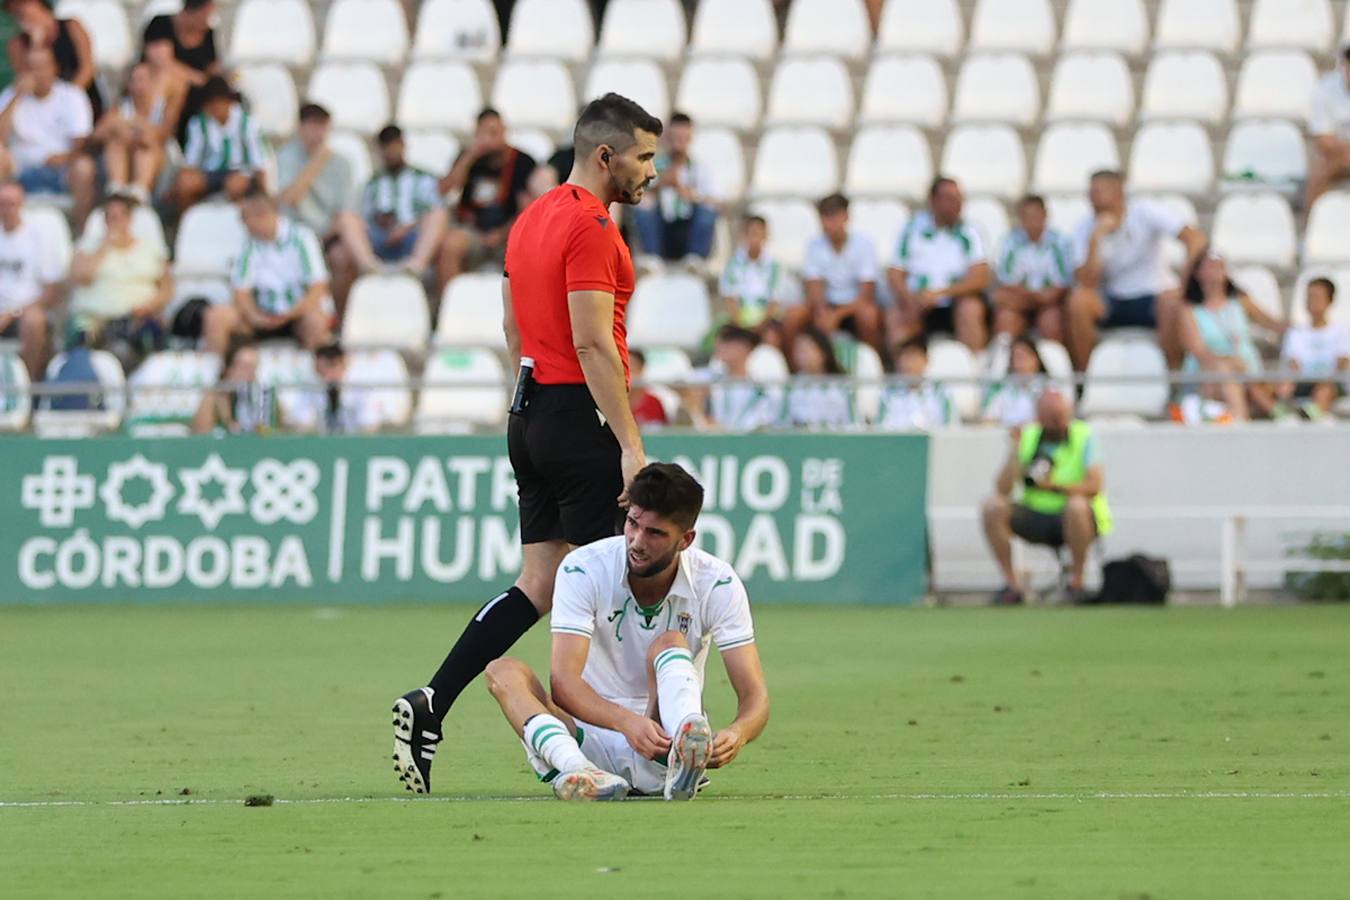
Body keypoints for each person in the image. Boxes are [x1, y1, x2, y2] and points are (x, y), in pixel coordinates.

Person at [392, 92, 662, 795]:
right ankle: (620, 745)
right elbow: (592, 342)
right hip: (580, 418)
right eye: (644, 157)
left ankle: (431, 702)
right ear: (606, 157)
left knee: (538, 584)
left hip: (529, 410)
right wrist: (629, 443)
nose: (652, 173)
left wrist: (528, 410)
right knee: (619, 582)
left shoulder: (528, 220)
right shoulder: (594, 229)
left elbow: (515, 333)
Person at [483, 463, 769, 802]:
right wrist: (625, 723)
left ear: (686, 540)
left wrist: (737, 733)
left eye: (655, 533)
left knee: (669, 642)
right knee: (502, 671)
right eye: (633, 524)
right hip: (584, 735)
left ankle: (685, 748)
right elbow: (563, 683)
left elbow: (755, 696)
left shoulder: (717, 582)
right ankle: (580, 771)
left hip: (662, 739)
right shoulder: (584, 567)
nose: (636, 541)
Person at [982, 390, 1112, 606]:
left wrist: (1053, 486)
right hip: (1035, 514)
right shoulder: (1029, 436)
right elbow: (1002, 489)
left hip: (1073, 517)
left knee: (1077, 507)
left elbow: (1095, 485)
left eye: (1059, 417)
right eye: (1049, 418)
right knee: (992, 507)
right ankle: (1012, 587)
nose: (1055, 423)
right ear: (1038, 417)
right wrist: (1014, 451)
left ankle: (1076, 584)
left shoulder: (1084, 435)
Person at [1068, 170, 1207, 371]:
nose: (1093, 198)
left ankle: (1173, 379)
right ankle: (1085, 378)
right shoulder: (1085, 227)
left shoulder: (1144, 211)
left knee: (1173, 302)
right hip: (1113, 299)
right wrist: (1095, 238)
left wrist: (1184, 284)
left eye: (1098, 191)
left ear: (1118, 191)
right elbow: (1087, 282)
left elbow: (1195, 239)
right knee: (1078, 302)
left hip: (1153, 295)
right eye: (1091, 192)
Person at [203, 185, 331, 355]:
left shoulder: (302, 239)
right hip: (260, 317)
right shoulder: (248, 246)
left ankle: (316, 376)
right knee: (216, 317)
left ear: (261, 215)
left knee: (315, 320)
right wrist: (257, 317)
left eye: (244, 218)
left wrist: (290, 314)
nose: (242, 224)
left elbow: (318, 287)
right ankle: (220, 376)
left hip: (296, 316)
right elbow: (240, 293)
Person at [334, 125, 451, 297]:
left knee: (438, 214)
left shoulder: (423, 178)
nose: (390, 151)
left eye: (394, 145)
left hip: (413, 237)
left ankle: (416, 267)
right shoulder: (372, 183)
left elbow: (433, 210)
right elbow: (362, 218)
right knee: (346, 219)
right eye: (386, 147)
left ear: (403, 145)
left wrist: (407, 226)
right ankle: (368, 266)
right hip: (380, 238)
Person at [888, 176, 991, 353]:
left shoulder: (971, 231)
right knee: (898, 315)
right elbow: (895, 272)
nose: (957, 204)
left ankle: (974, 371)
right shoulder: (911, 229)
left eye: (959, 198)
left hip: (955, 300)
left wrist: (942, 293)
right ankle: (906, 372)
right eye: (950, 198)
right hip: (918, 300)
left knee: (971, 309)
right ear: (933, 201)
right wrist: (909, 298)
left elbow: (980, 277)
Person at [67, 194, 171, 369]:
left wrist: (150, 306)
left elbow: (167, 288)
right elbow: (81, 277)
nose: (113, 222)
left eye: (117, 217)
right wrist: (104, 248)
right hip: (96, 319)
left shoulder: (150, 248)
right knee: (82, 333)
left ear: (129, 219)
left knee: (152, 333)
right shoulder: (88, 247)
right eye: (108, 217)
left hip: (137, 318)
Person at [0, 45, 95, 228]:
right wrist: (17, 96)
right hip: (20, 169)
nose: (36, 73)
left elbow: (81, 142)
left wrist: (65, 158)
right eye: (31, 67)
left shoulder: (72, 96)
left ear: (54, 68)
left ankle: (81, 233)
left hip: (61, 170)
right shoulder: (10, 95)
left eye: (42, 66)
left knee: (84, 168)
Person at [438, 108, 536, 284]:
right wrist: (470, 156)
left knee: (531, 248)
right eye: (484, 133)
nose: (490, 139)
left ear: (504, 132)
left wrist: (502, 233)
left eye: (494, 132)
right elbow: (446, 189)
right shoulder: (469, 158)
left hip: (509, 233)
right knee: (450, 246)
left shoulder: (522, 161)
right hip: (473, 230)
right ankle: (448, 305)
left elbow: (528, 208)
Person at [1180, 253, 1278, 422]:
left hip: (1246, 373)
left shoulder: (1241, 302)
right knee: (1223, 371)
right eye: (1209, 265)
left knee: (1243, 382)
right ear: (1197, 273)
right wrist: (1231, 362)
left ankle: (1247, 413)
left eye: (1218, 265)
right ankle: (1240, 416)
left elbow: (1271, 324)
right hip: (1208, 374)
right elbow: (1199, 351)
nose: (1214, 270)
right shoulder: (1189, 311)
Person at [275, 103, 355, 309]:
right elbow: (289, 198)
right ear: (300, 127)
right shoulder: (285, 157)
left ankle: (338, 315)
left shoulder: (342, 163)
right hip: (294, 235)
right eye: (312, 126)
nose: (317, 133)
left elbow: (345, 211)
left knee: (344, 258)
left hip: (326, 235)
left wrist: (324, 237)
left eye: (321, 126)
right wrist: (317, 162)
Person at [786, 192, 882, 357]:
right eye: (824, 217)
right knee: (793, 317)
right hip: (826, 306)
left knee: (868, 316)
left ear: (846, 217)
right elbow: (814, 289)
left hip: (854, 307)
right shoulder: (814, 245)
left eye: (832, 217)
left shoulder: (865, 244)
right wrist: (824, 313)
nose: (827, 224)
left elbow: (866, 295)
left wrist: (836, 316)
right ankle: (795, 369)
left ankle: (873, 362)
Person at [631, 112, 719, 267]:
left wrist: (685, 192)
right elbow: (636, 198)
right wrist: (660, 186)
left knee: (707, 210)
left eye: (682, 138)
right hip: (663, 227)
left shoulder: (700, 168)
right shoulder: (653, 166)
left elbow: (716, 202)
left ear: (690, 138)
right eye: (674, 138)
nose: (678, 143)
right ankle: (652, 257)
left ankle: (695, 259)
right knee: (644, 204)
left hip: (688, 227)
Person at [173, 75, 266, 212]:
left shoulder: (247, 124)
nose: (214, 107)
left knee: (235, 184)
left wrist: (263, 192)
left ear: (228, 102)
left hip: (241, 172)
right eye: (210, 103)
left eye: (218, 102)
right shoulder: (198, 124)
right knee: (185, 183)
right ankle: (188, 222)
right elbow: (190, 163)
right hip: (208, 173)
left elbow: (258, 164)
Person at [0, 180, 61, 379]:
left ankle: (28, 384)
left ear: (22, 205)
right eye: (2, 204)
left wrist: (12, 313)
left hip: (23, 312)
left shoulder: (38, 237)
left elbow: (51, 292)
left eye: (11, 204)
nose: (6, 210)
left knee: (34, 321)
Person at [992, 195, 1070, 343]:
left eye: (1035, 215)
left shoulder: (1060, 242)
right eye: (1026, 216)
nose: (1031, 221)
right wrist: (1035, 298)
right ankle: (1003, 362)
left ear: (1045, 215)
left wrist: (1040, 298)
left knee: (1051, 321)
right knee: (1005, 319)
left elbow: (1060, 285)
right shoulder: (1009, 242)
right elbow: (1008, 283)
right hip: (1021, 303)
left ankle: (1054, 363)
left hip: (1049, 304)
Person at [5, 0, 100, 119]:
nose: (19, 11)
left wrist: (68, 98)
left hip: (83, 99)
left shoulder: (71, 26)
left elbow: (88, 67)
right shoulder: (17, 44)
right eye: (13, 8)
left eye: (22, 4)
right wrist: (37, 42)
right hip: (45, 111)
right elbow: (28, 76)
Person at [92, 62, 172, 203]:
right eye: (135, 80)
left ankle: (140, 190)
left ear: (152, 82)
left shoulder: (163, 108)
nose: (139, 85)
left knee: (144, 147)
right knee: (114, 141)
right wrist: (116, 129)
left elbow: (158, 137)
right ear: (128, 85)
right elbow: (96, 135)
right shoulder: (119, 109)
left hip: (160, 165)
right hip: (127, 160)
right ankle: (116, 188)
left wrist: (131, 127)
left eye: (143, 79)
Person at [141, 0, 217, 147]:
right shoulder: (161, 24)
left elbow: (212, 69)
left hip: (195, 98)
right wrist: (196, 77)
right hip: (158, 87)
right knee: (171, 80)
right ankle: (153, 129)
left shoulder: (208, 34)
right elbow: (161, 62)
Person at [1277, 278, 1348, 419]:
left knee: (1325, 389)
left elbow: (1341, 364)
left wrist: (1323, 379)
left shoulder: (1342, 332)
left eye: (1317, 297)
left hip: (1330, 383)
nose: (1312, 301)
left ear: (1330, 300)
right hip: (1304, 382)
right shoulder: (1296, 333)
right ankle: (1281, 416)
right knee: (1283, 387)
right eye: (1309, 297)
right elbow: (1293, 364)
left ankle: (1309, 418)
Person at [281, 341, 381, 434]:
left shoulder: (361, 386)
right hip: (320, 443)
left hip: (355, 441)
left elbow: (369, 424)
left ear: (342, 364)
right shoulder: (310, 387)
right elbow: (303, 421)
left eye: (331, 366)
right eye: (319, 369)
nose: (325, 374)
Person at [718, 214, 788, 341]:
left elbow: (774, 302)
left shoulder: (775, 267)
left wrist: (760, 326)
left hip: (765, 323)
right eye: (752, 234)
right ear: (744, 236)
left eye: (759, 234)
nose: (755, 239)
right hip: (739, 320)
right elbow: (730, 299)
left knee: (771, 338)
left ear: (766, 236)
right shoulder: (733, 265)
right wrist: (741, 324)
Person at [191, 337, 275, 434]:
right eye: (245, 367)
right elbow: (201, 435)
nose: (250, 374)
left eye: (254, 367)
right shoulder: (212, 397)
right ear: (229, 368)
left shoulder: (264, 398)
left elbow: (280, 432)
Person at [876, 337, 953, 431]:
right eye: (905, 358)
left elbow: (951, 427)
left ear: (926, 360)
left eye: (914, 357)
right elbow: (879, 430)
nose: (909, 364)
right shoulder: (888, 393)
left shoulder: (941, 391)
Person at [783, 326, 853, 429]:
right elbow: (785, 422)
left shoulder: (841, 385)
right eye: (798, 349)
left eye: (806, 349)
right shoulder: (792, 385)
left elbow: (851, 421)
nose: (801, 354)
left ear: (822, 353)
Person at [1307, 45, 1350, 210]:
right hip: (1336, 156)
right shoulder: (1324, 89)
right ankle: (1310, 225)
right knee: (1320, 173)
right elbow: (1323, 140)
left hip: (1341, 149)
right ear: (1343, 65)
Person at [982, 336, 1048, 428]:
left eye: (1023, 357)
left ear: (1036, 360)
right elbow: (988, 419)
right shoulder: (1004, 390)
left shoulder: (1049, 389)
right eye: (1015, 358)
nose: (1019, 364)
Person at [628, 349, 668, 426]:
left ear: (642, 368)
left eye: (633, 366)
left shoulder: (654, 403)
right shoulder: (613, 403)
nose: (630, 371)